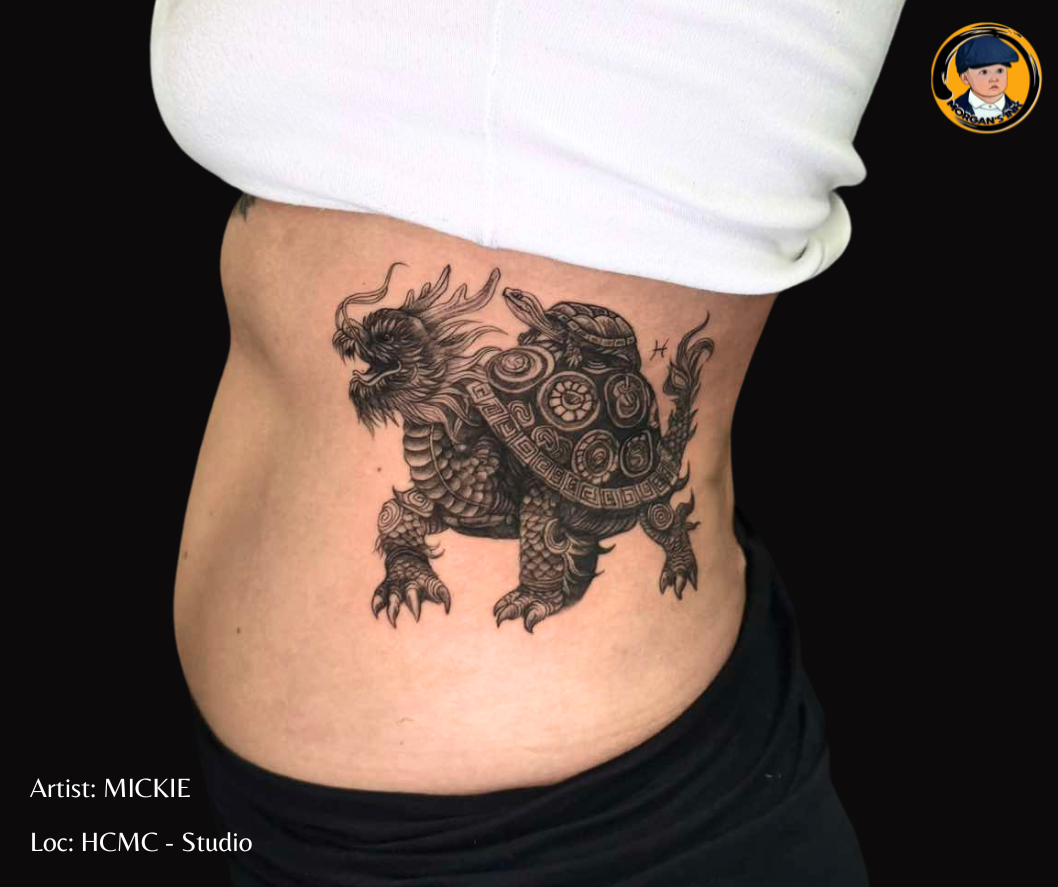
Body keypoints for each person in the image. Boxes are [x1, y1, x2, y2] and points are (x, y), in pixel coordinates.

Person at [150, 1, 905, 884]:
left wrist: (548, 578)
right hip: (256, 813)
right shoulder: (444, 421)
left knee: (549, 508)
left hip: (595, 836)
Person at [951, 35, 1022, 123]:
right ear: (965, 78)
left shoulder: (1020, 110)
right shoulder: (953, 109)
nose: (994, 79)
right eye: (983, 72)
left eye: (1000, 71)